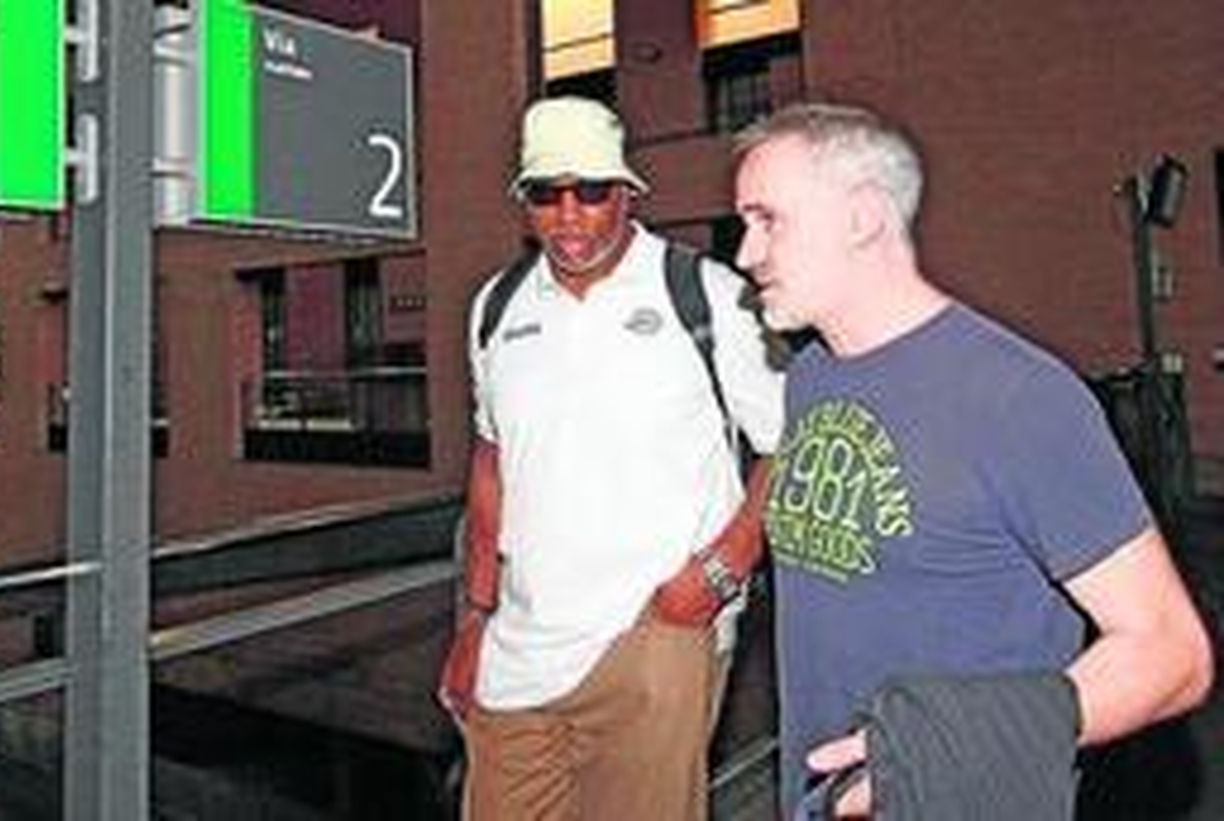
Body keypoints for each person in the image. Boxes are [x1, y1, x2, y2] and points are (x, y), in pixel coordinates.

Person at [731, 102, 1215, 816]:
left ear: (863, 217)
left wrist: (938, 747)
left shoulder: (1019, 398)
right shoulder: (810, 376)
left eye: (767, 219)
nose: (745, 253)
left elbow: (1174, 655)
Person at [437, 96, 785, 820]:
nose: (568, 215)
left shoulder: (706, 294)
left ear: (627, 191)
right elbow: (491, 467)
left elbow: (791, 445)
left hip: (654, 634)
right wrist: (473, 623)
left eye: (590, 191)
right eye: (545, 193)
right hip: (520, 649)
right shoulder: (496, 308)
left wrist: (719, 573)